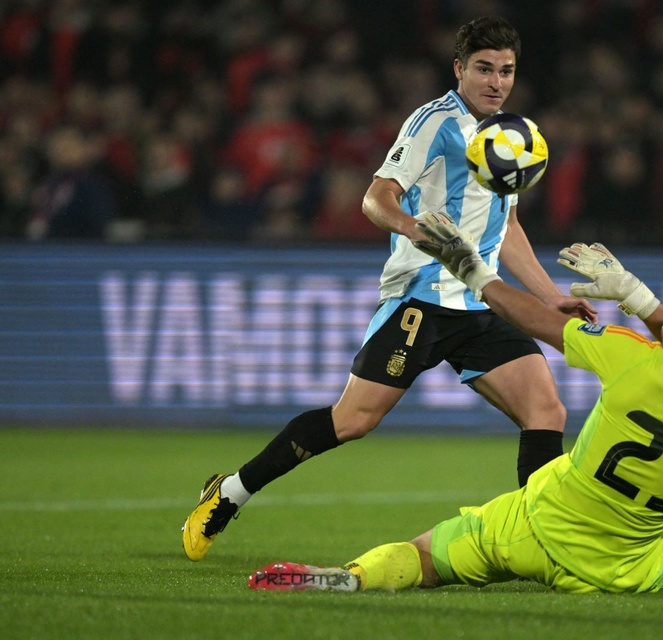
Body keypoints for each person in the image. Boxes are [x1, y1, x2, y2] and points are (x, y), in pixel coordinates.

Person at [182, 16, 595, 562]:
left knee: (547, 411)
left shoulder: (511, 134)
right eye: (484, 69)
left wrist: (549, 295)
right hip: (421, 297)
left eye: (506, 71)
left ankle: (542, 541)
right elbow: (375, 199)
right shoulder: (432, 123)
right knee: (353, 420)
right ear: (459, 69)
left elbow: (508, 226)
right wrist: (415, 229)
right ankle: (230, 491)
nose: (496, 82)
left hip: (480, 301)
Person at [246, 214, 663, 595]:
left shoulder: (635, 359)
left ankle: (347, 578)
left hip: (537, 529)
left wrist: (471, 269)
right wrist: (642, 301)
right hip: (621, 564)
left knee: (424, 558)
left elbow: (539, 321)